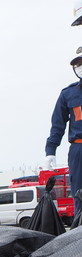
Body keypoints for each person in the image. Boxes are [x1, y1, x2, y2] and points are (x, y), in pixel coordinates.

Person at [45, 48, 82, 216]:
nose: (79, 67)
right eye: (77, 65)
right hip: (79, 150)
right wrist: (50, 151)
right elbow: (57, 125)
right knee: (79, 193)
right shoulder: (68, 94)